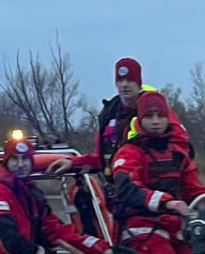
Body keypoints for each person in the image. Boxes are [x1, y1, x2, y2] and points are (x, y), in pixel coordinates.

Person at [109, 91, 205, 254]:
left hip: (175, 229)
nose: (156, 122)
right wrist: (168, 203)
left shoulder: (178, 153)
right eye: (150, 116)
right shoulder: (129, 152)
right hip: (142, 230)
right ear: (140, 119)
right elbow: (127, 188)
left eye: (161, 116)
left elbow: (193, 188)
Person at [46, 58, 191, 186]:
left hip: (150, 190)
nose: (124, 85)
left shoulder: (154, 110)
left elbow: (182, 150)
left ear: (139, 82)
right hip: (119, 192)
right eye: (120, 81)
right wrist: (73, 163)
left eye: (130, 80)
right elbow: (102, 159)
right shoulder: (110, 115)